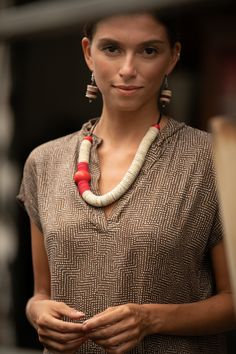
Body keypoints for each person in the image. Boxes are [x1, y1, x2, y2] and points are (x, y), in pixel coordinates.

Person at [17, 10, 236, 354]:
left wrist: (151, 319)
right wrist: (37, 312)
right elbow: (40, 294)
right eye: (112, 49)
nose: (128, 69)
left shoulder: (211, 160)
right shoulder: (44, 162)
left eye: (149, 51)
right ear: (88, 52)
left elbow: (232, 300)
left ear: (173, 56)